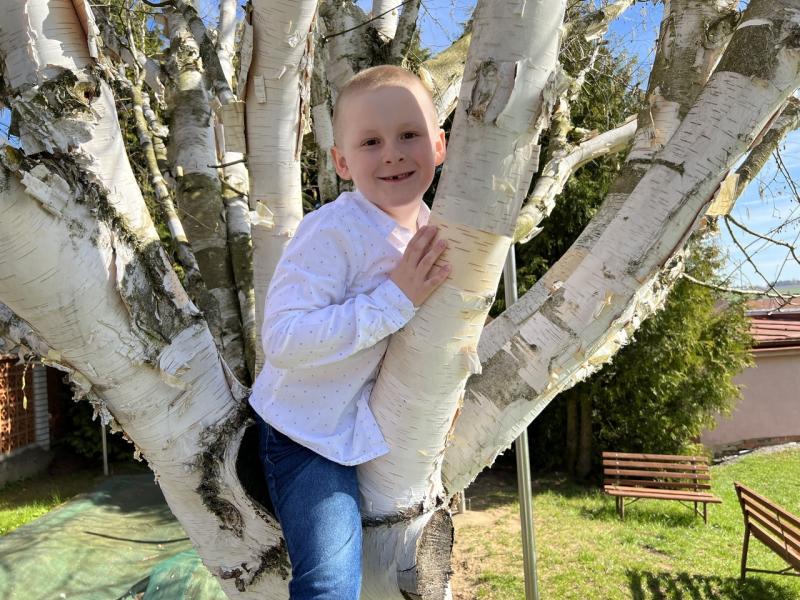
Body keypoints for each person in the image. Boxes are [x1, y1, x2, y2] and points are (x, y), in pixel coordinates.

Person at [249, 64, 450, 599]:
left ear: (439, 145)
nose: (393, 154)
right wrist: (395, 298)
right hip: (305, 434)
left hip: (368, 428)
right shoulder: (332, 230)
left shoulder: (433, 229)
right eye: (370, 142)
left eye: (408, 135)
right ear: (342, 162)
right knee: (331, 583)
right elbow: (284, 339)